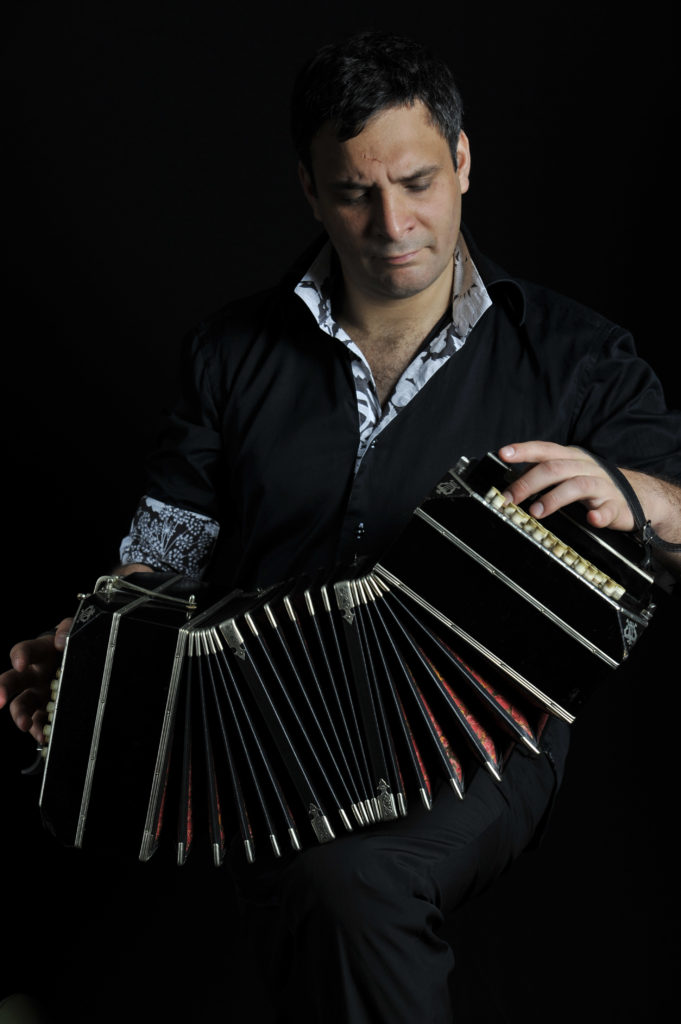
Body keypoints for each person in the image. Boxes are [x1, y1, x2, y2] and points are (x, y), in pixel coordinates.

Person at [2, 29, 680, 1023]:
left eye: (416, 182)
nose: (392, 223)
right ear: (310, 191)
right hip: (260, 730)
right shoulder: (228, 354)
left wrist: (641, 495)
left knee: (345, 878)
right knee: (95, 829)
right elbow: (160, 559)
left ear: (462, 161)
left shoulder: (579, 357)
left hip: (481, 742)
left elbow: (672, 518)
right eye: (355, 192)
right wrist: (92, 657)